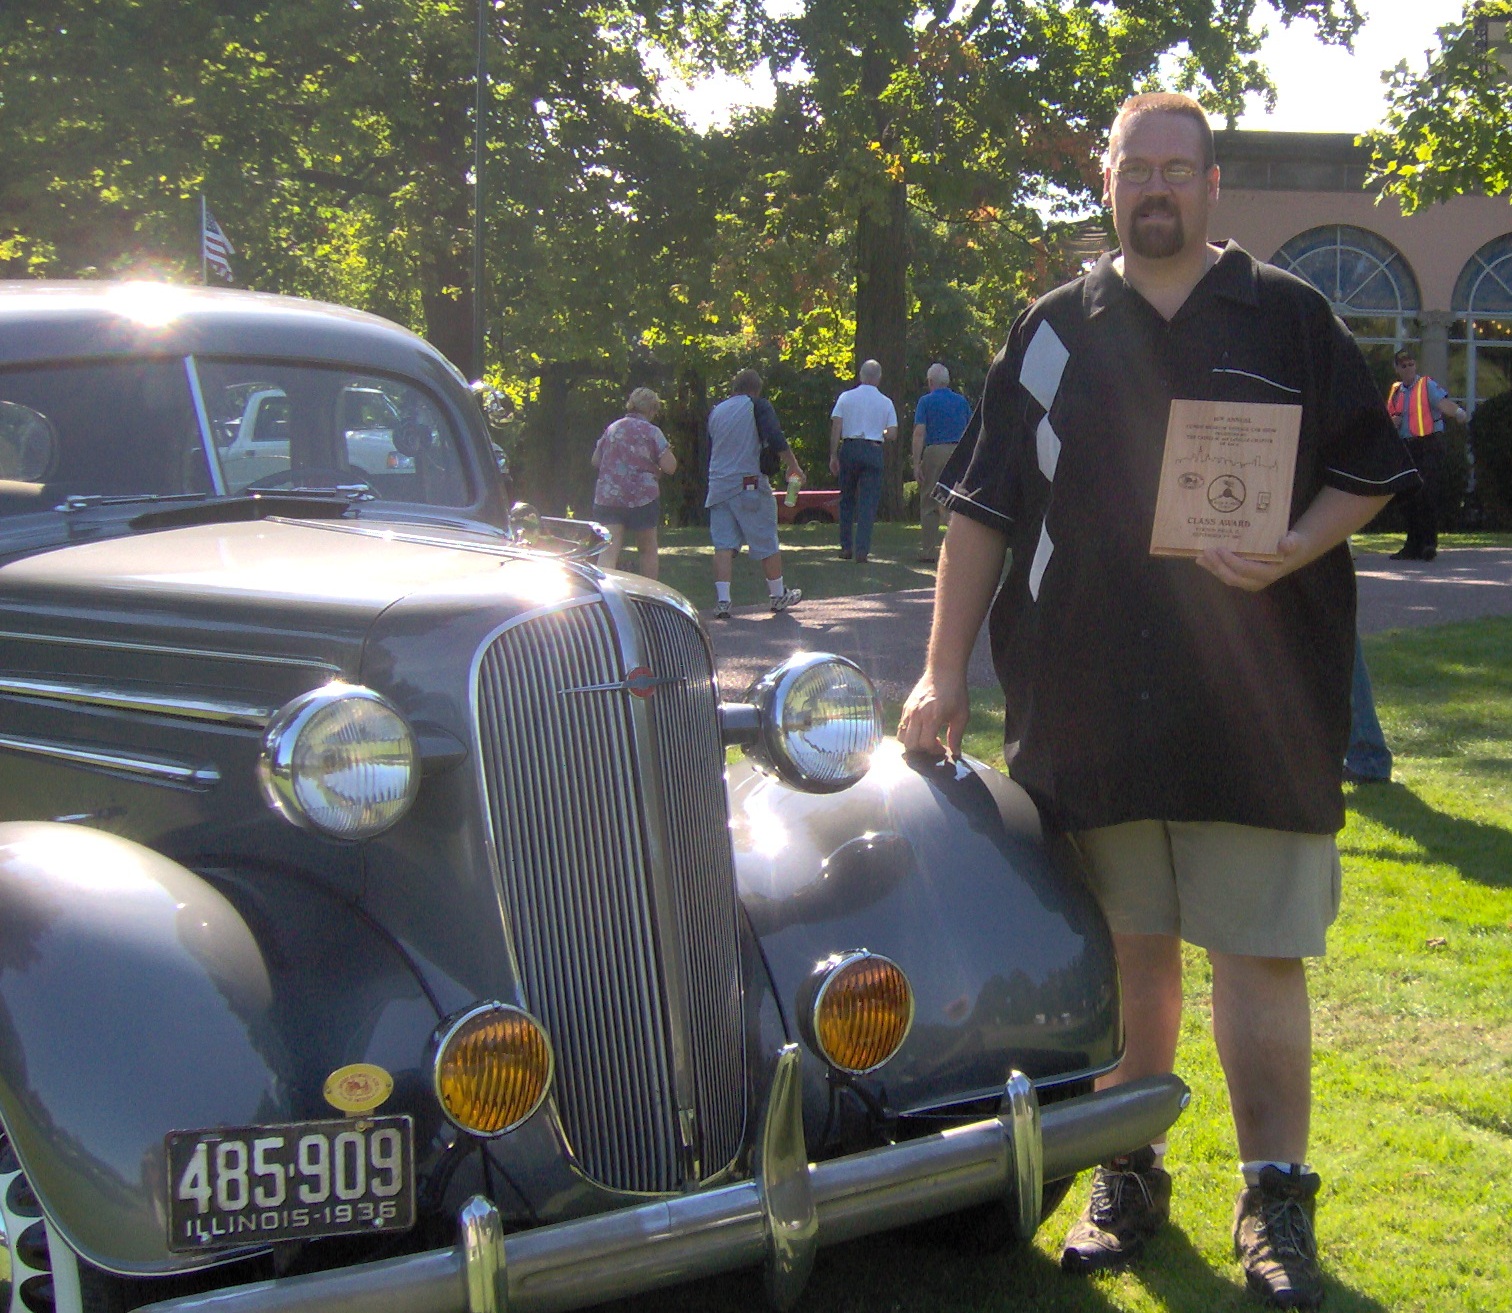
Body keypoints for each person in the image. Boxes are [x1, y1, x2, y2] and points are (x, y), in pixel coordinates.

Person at [897, 92, 1418, 1309]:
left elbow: (1377, 467)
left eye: (1181, 170)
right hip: (1084, 705)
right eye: (1141, 169)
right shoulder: (1049, 328)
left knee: (1257, 953)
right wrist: (938, 669)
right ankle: (1125, 1168)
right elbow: (977, 512)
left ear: (1213, 185)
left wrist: (1292, 544)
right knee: (1130, 954)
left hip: (1257, 707)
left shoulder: (1288, 315)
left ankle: (1275, 1192)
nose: (1159, 190)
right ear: (1108, 178)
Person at [704, 368, 804, 618]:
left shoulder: (717, 411)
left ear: (733, 388)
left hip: (718, 485)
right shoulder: (757, 406)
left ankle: (723, 601)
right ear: (756, 389)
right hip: (748, 482)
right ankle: (777, 594)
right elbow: (775, 436)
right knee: (765, 538)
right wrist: (793, 466)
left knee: (723, 545)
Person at [1387, 349, 1467, 561]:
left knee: (1427, 493)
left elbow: (1442, 403)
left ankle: (1428, 544)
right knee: (1408, 496)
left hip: (1429, 444)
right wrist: (1391, 423)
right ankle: (1412, 545)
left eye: (1411, 364)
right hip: (1407, 446)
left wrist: (1458, 412)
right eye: (1403, 366)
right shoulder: (1396, 391)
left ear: (1416, 366)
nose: (1408, 369)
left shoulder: (1425, 385)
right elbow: (1390, 416)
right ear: (1397, 369)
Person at [590, 387, 677, 579]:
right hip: (642, 498)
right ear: (652, 409)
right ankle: (648, 599)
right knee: (647, 551)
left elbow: (596, 460)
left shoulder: (613, 428)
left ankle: (606, 597)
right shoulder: (652, 432)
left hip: (609, 497)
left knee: (608, 550)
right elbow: (670, 466)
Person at [828, 359, 898, 562]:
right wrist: (880, 431)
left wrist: (833, 454)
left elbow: (837, 426)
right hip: (873, 448)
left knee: (847, 499)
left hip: (850, 447)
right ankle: (862, 550)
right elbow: (892, 433)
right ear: (878, 378)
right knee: (868, 502)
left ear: (861, 375)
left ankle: (845, 546)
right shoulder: (886, 402)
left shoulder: (846, 397)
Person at [911, 363, 973, 563]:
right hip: (958, 452)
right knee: (955, 500)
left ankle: (928, 550)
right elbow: (971, 430)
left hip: (934, 451)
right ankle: (958, 549)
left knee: (930, 501)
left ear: (930, 382)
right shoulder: (961, 401)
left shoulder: (926, 401)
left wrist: (916, 463)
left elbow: (919, 432)